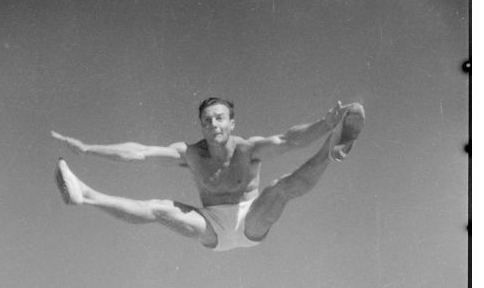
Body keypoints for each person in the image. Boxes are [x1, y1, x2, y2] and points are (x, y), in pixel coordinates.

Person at [52, 98, 365, 251]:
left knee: (280, 188)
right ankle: (86, 196)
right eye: (206, 120)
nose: (213, 124)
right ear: (201, 125)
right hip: (211, 226)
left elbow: (289, 140)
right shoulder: (190, 154)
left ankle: (331, 146)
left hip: (251, 220)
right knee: (159, 208)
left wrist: (324, 124)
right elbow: (139, 152)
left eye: (219, 118)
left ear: (231, 123)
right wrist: (88, 149)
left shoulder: (248, 149)